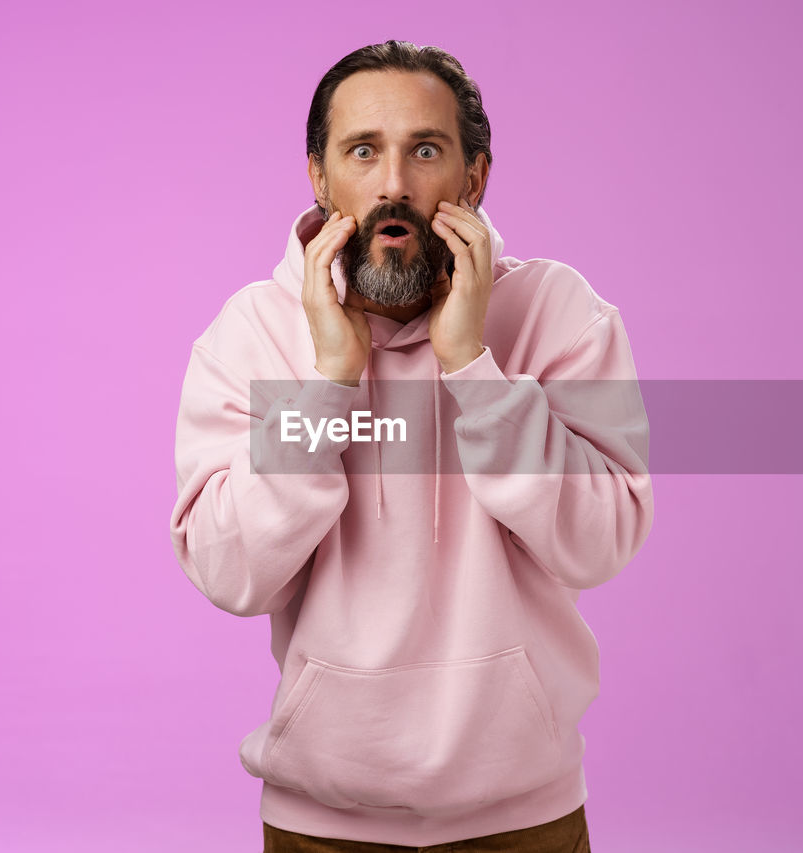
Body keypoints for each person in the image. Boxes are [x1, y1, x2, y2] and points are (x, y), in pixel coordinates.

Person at [169, 40, 653, 851]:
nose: (393, 182)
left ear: (474, 178)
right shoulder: (251, 332)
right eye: (364, 151)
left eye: (424, 150)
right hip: (320, 821)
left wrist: (474, 366)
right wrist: (328, 384)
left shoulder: (560, 313)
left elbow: (602, 543)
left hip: (523, 818)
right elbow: (229, 572)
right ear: (320, 176)